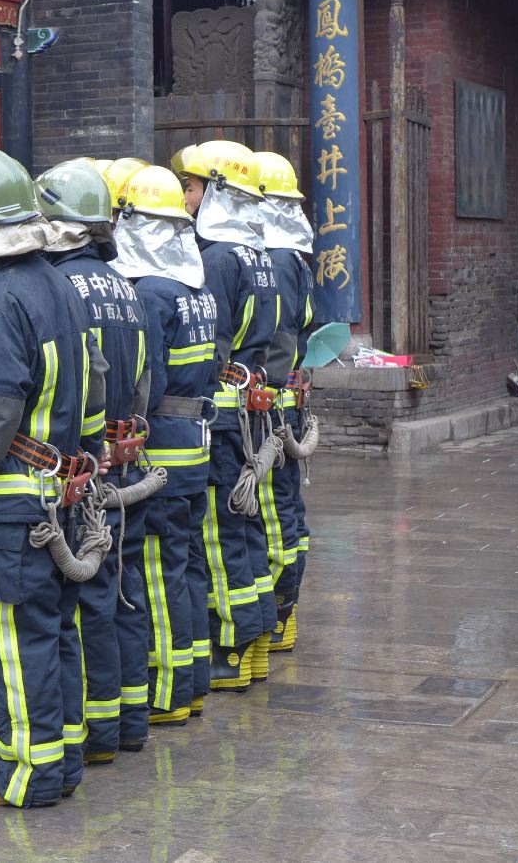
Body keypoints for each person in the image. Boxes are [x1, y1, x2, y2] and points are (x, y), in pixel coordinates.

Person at [0, 146, 108, 809]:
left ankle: (26, 775)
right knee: (55, 634)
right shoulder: (59, 283)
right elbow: (95, 386)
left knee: (12, 642)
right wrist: (87, 456)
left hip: (11, 508)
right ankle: (60, 763)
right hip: (59, 494)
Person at [37, 159, 154, 757]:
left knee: (81, 603)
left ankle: (95, 732)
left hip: (82, 467)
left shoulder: (59, 289)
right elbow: (147, 382)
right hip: (125, 458)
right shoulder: (128, 288)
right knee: (123, 592)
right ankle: (128, 721)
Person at [110, 165, 218, 722]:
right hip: (195, 446)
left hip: (161, 455)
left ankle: (169, 691)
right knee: (187, 564)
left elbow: (144, 383)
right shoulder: (195, 289)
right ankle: (194, 678)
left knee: (157, 571)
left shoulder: (150, 294)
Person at [179, 141, 279, 691]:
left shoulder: (218, 257)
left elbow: (210, 344)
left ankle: (230, 649)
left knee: (219, 535)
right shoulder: (257, 254)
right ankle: (257, 639)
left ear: (217, 191)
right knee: (247, 524)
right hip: (250, 408)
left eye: (191, 188)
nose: (185, 199)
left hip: (222, 414)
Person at [253, 152, 315, 655]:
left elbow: (277, 340)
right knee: (287, 510)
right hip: (287, 401)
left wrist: (266, 400)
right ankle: (284, 614)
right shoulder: (291, 256)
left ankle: (278, 615)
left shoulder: (274, 259)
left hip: (273, 405)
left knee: (276, 515)